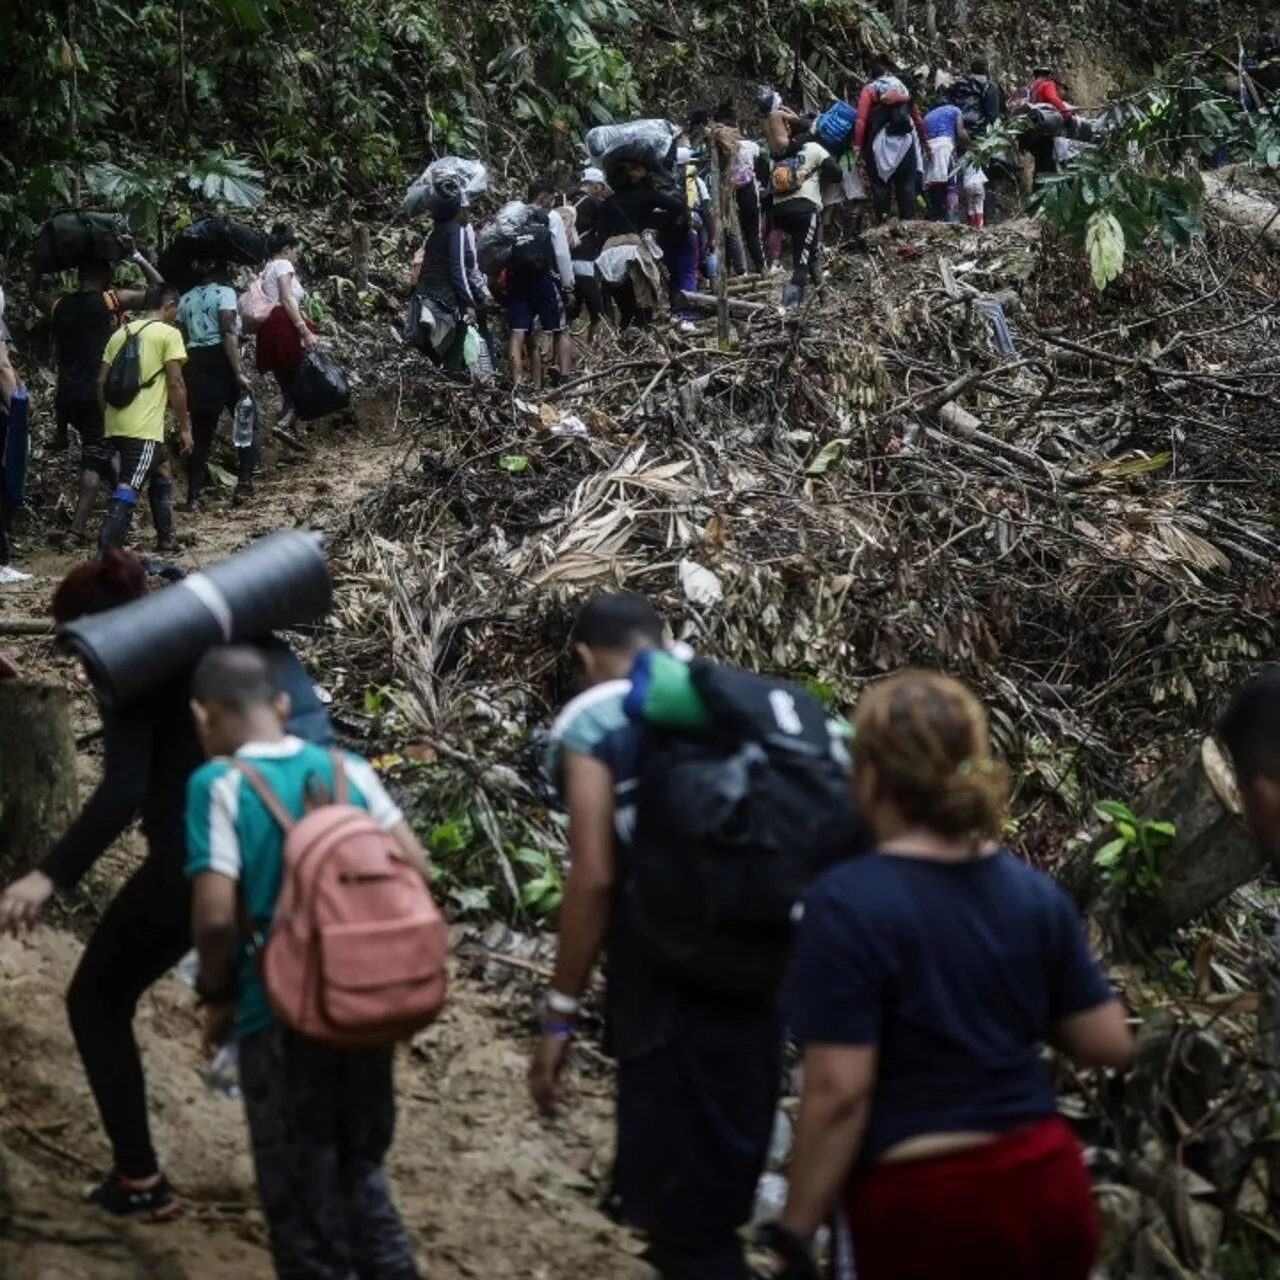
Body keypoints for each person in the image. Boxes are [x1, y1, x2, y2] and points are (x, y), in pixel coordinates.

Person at [756, 670, 1134, 1280]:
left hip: (926, 1204)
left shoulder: (846, 901)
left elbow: (839, 1093)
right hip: (1047, 1186)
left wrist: (795, 1235)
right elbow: (1107, 1043)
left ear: (869, 778)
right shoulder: (1032, 894)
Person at [0, 554, 333, 1221]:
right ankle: (331, 1186)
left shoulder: (130, 663)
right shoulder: (204, 642)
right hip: (289, 856)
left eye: (76, 646)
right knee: (282, 1020)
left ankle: (140, 1178)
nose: (77, 664)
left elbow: (121, 791)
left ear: (95, 632)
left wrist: (47, 875)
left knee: (96, 999)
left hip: (197, 863)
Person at [529, 594, 783, 1280]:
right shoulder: (741, 699)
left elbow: (594, 877)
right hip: (766, 973)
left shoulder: (597, 718)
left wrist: (560, 1017)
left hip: (666, 988)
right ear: (663, 639)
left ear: (585, 656)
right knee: (723, 1199)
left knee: (685, 1232)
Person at [186, 644, 427, 1279]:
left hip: (278, 1011)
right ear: (284, 704)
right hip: (361, 1004)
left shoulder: (218, 785)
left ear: (203, 716)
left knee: (300, 1193)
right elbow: (417, 869)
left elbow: (213, 917)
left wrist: (219, 997)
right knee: (360, 1172)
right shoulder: (347, 770)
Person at [34, 250, 163, 547]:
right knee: (94, 458)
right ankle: (76, 531)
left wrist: (39, 268)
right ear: (105, 276)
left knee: (109, 452)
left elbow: (35, 295)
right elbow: (159, 291)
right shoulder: (110, 301)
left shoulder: (60, 305)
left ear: (79, 277)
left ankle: (123, 519)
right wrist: (137, 257)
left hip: (66, 397)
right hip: (100, 393)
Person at [97, 283, 192, 557]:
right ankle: (106, 551)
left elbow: (101, 381)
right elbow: (176, 384)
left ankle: (166, 538)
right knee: (129, 484)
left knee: (160, 467)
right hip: (143, 428)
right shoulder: (168, 334)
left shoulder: (119, 334)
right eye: (176, 310)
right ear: (169, 306)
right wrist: (185, 428)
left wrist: (109, 417)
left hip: (116, 423)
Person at [176, 261, 256, 511]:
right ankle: (244, 484)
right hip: (221, 359)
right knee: (246, 420)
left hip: (195, 362)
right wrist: (239, 372)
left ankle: (194, 496)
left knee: (202, 432)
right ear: (214, 271)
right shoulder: (225, 293)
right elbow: (228, 331)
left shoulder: (184, 299)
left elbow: (182, 335)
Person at [414, 182, 492, 379]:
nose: (469, 215)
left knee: (440, 349)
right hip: (444, 296)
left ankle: (446, 383)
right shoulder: (456, 230)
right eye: (466, 210)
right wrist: (468, 303)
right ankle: (455, 385)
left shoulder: (437, 231)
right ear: (457, 211)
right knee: (456, 344)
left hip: (425, 294)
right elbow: (458, 270)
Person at [765, 113, 840, 308]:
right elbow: (836, 175)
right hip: (804, 210)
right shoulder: (814, 148)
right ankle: (789, 308)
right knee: (801, 263)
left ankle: (825, 299)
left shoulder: (778, 153)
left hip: (779, 211)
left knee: (809, 253)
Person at [505, 181, 575, 387]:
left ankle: (517, 384)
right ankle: (564, 377)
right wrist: (568, 285)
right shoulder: (551, 217)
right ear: (543, 197)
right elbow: (561, 252)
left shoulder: (513, 217)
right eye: (552, 199)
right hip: (543, 279)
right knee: (560, 328)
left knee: (517, 332)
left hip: (516, 281)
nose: (552, 204)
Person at [255, 225, 316, 430]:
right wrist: (304, 330)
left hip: (269, 328)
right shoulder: (283, 265)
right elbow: (286, 298)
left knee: (288, 384)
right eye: (296, 251)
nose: (296, 257)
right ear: (286, 249)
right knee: (303, 376)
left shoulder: (266, 269)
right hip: (284, 326)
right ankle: (285, 424)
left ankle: (287, 434)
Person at [855, 59, 928, 223]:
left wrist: (858, 145)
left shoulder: (871, 89)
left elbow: (861, 119)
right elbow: (917, 118)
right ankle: (907, 221)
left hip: (879, 144)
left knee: (880, 184)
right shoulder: (902, 88)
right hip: (905, 141)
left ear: (871, 76)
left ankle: (884, 219)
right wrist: (925, 141)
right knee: (906, 183)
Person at [570, 167, 609, 342]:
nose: (601, 190)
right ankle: (594, 355)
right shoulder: (595, 204)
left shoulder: (563, 200)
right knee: (597, 312)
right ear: (594, 185)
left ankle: (553, 354)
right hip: (585, 263)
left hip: (561, 266)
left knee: (571, 311)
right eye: (600, 186)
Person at [923, 98, 970, 221]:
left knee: (934, 183)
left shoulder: (927, 116)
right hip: (946, 146)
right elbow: (960, 133)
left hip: (929, 148)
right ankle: (952, 217)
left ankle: (936, 216)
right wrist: (972, 144)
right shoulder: (954, 110)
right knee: (951, 182)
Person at [1026, 64, 1075, 180]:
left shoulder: (1030, 88)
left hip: (1033, 130)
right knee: (1049, 161)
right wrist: (1067, 114)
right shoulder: (1046, 85)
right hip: (1046, 130)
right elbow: (1053, 98)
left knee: (1042, 162)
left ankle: (1041, 191)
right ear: (1047, 75)